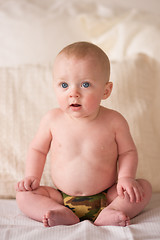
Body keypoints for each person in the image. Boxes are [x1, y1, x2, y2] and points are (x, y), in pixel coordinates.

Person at [16, 41, 152, 227]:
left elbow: (127, 152)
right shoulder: (52, 119)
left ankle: (113, 211)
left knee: (143, 187)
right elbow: (37, 150)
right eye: (64, 84)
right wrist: (32, 177)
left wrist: (126, 178)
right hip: (60, 197)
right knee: (24, 196)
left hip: (108, 195)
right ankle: (60, 213)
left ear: (106, 90)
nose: (74, 93)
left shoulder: (114, 120)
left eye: (85, 84)